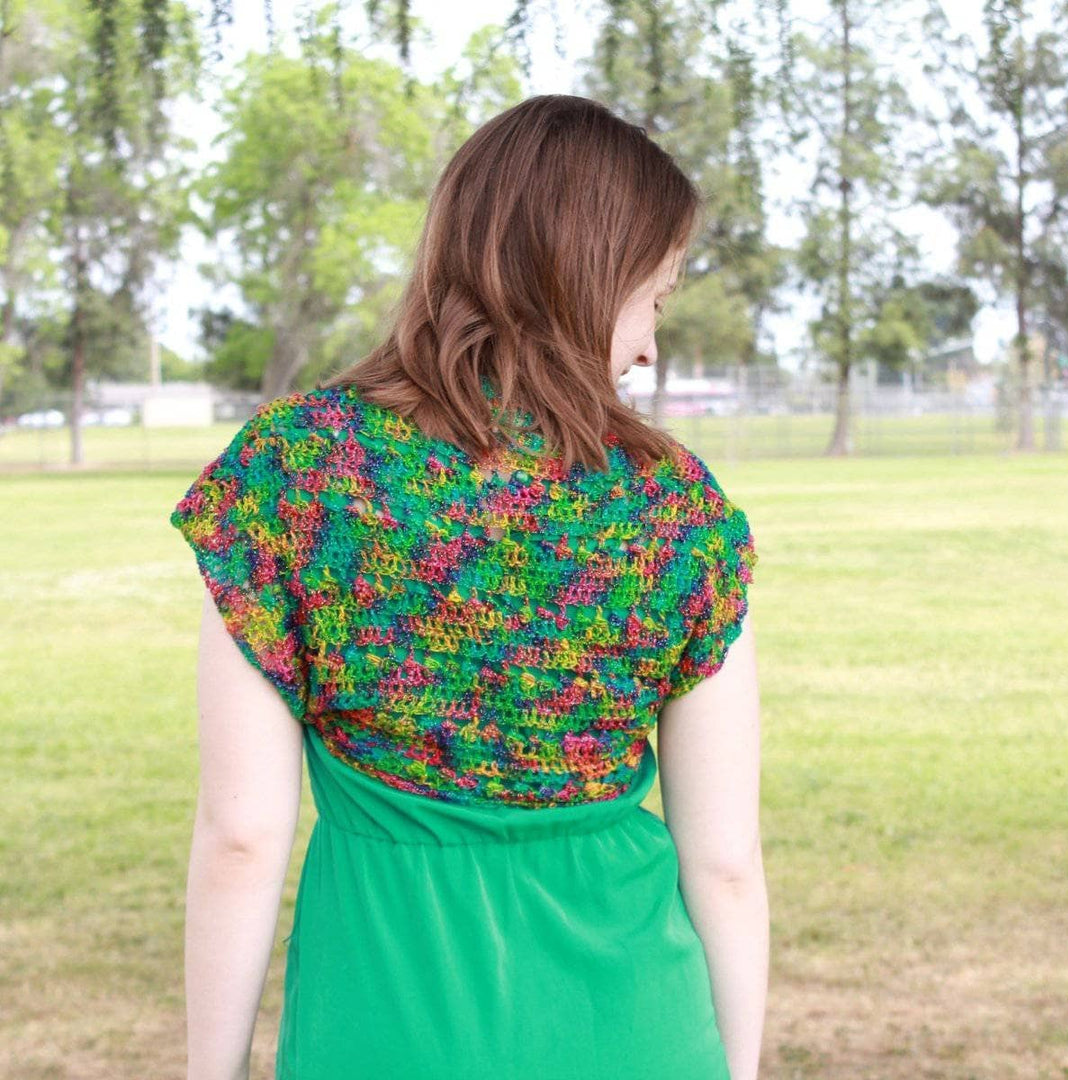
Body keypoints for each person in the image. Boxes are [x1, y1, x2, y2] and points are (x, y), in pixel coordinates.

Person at [171, 93, 767, 1080]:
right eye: (651, 299)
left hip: (381, 1032)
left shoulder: (295, 474)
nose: (651, 345)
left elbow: (241, 835)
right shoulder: (675, 512)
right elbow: (727, 863)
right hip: (634, 1035)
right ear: (589, 276)